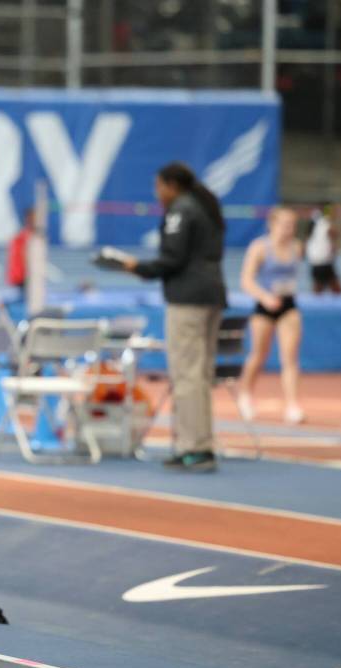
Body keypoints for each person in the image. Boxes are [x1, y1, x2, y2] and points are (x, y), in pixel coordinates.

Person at [122, 162, 227, 473]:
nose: (157, 195)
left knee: (187, 375)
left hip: (188, 299)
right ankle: (200, 443)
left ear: (171, 185)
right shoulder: (206, 207)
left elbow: (172, 258)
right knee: (200, 374)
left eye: (159, 188)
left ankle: (193, 447)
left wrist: (136, 268)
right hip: (211, 295)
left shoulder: (182, 209)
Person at [238, 207, 305, 424]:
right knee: (259, 355)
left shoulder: (297, 247)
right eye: (285, 224)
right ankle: (245, 393)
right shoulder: (259, 248)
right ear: (272, 224)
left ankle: (292, 404)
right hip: (264, 307)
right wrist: (265, 297)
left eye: (292, 225)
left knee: (290, 358)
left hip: (288, 305)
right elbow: (246, 281)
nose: (289, 229)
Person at [305, 206, 341, 294]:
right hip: (322, 262)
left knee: (326, 289)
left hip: (319, 262)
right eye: (333, 211)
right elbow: (335, 233)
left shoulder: (317, 224)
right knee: (326, 290)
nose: (335, 214)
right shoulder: (325, 223)